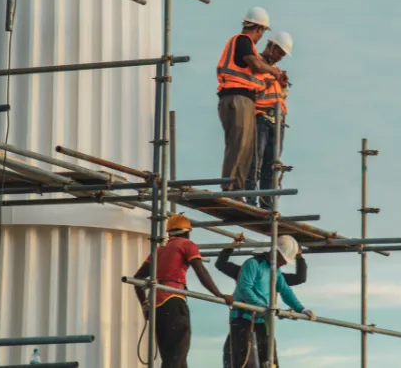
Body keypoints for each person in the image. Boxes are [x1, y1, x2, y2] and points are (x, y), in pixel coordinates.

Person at [133, 214, 233, 368]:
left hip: (157, 306)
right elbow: (201, 272)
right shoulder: (187, 244)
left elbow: (137, 279)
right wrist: (219, 295)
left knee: (172, 356)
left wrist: (145, 306)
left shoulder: (159, 250)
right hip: (174, 301)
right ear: (187, 232)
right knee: (177, 353)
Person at [216, 7, 288, 196]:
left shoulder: (249, 48)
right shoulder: (242, 40)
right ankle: (229, 186)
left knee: (246, 147)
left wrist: (271, 81)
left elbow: (253, 77)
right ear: (258, 28)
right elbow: (256, 65)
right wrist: (272, 71)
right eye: (262, 32)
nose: (261, 36)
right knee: (238, 143)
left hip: (244, 100)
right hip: (235, 98)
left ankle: (237, 189)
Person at [227, 235, 315, 367]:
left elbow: (285, 291)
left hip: (262, 320)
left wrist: (301, 309)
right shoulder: (253, 264)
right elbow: (245, 288)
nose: (285, 263)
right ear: (276, 252)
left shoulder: (276, 272)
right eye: (284, 259)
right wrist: (261, 307)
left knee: (269, 361)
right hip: (243, 320)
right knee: (244, 362)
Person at [244, 31, 293, 208]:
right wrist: (270, 82)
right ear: (270, 45)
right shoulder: (256, 64)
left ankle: (266, 203)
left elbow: (279, 96)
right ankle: (250, 199)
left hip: (277, 121)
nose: (280, 57)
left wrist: (283, 85)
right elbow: (251, 88)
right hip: (261, 117)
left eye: (282, 54)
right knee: (255, 161)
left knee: (271, 165)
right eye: (279, 52)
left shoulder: (276, 71)